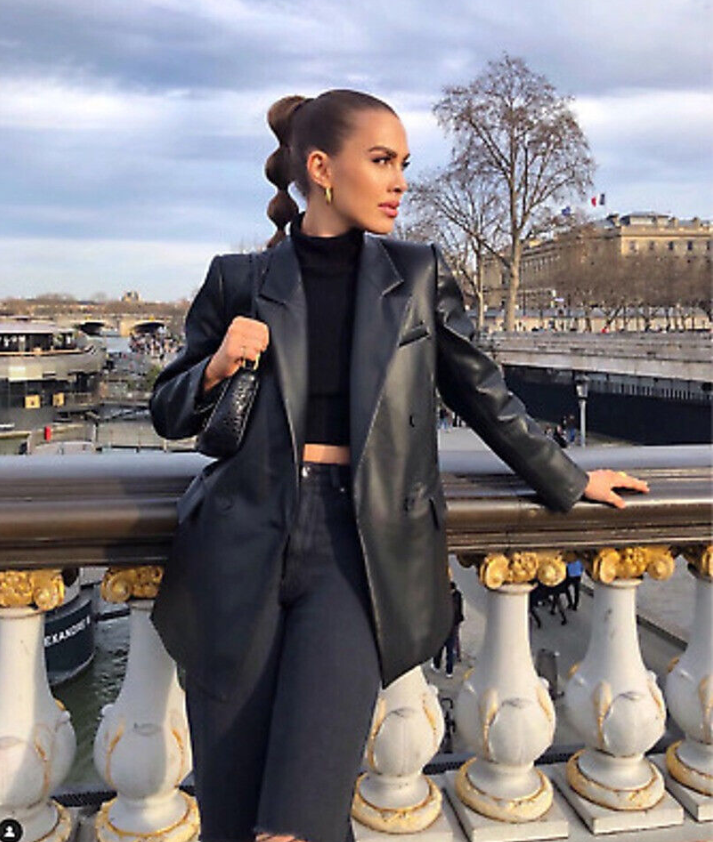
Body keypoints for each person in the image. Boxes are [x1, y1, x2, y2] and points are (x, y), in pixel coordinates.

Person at [148, 89, 648, 842]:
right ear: (322, 169)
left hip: (359, 547)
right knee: (231, 814)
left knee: (298, 820)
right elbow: (168, 410)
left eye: (402, 164)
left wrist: (569, 477)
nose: (400, 182)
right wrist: (216, 366)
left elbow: (480, 390)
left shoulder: (413, 275)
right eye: (381, 161)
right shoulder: (237, 279)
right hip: (239, 544)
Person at [432, 581, 464, 677]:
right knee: (450, 649)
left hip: (443, 625)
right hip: (453, 625)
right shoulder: (458, 595)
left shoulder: (443, 596)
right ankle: (449, 671)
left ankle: (437, 665)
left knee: (439, 647)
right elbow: (460, 609)